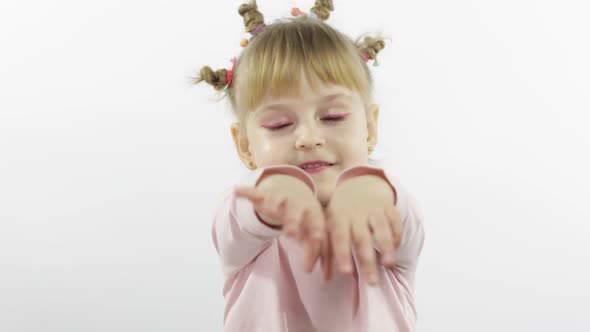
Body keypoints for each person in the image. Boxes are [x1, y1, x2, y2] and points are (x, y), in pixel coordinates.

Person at [194, 1, 425, 330]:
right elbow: (241, 213)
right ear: (245, 146)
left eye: (332, 117)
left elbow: (398, 216)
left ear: (370, 128)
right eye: (278, 124)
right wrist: (273, 191)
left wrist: (373, 190)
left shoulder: (388, 225)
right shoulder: (243, 226)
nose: (309, 137)